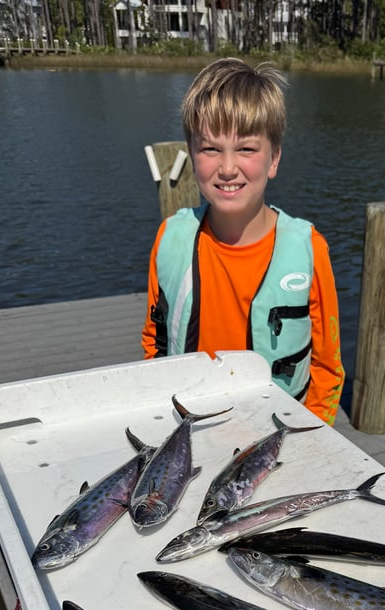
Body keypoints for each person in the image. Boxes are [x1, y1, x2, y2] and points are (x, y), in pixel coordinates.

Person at [141, 57, 345, 425]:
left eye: (247, 149)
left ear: (274, 158)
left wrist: (313, 437)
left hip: (278, 431)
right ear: (191, 153)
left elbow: (327, 369)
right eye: (210, 148)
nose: (228, 167)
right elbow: (153, 342)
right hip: (188, 424)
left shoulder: (309, 249)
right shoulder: (169, 239)